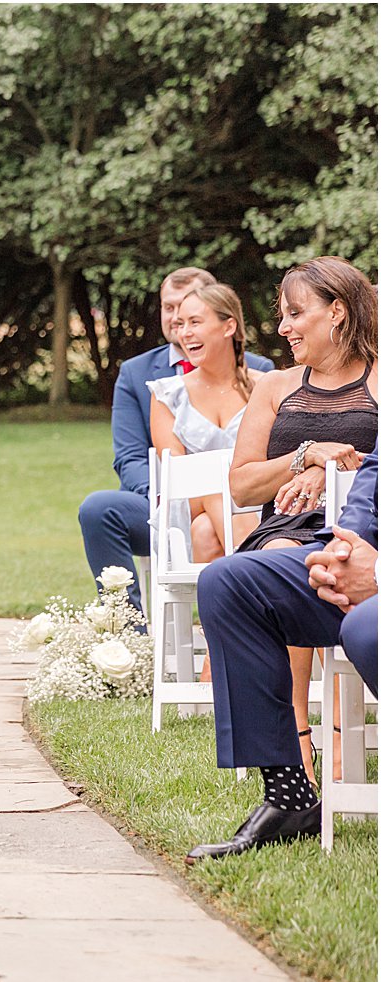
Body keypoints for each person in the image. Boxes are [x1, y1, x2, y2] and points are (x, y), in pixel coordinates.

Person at [226, 255, 377, 783]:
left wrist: (334, 474)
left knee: (337, 562)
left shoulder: (380, 379)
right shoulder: (275, 386)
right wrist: (308, 455)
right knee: (283, 561)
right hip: (286, 529)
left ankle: (341, 736)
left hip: (362, 531)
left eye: (296, 313)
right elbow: (242, 483)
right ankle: (296, 740)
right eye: (281, 315)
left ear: (337, 312)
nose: (284, 327)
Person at [188, 452, 377, 862]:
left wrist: (377, 574)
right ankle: (291, 798)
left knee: (366, 628)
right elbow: (373, 473)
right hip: (362, 553)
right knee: (228, 582)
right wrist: (347, 548)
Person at [79, 267, 273, 612]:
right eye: (170, 311)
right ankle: (128, 637)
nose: (178, 325)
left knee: (204, 531)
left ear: (225, 320)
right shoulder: (141, 376)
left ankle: (226, 646)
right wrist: (161, 498)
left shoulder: (265, 376)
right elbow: (131, 457)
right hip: (171, 496)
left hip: (253, 500)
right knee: (100, 508)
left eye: (191, 316)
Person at [147, 283, 267, 561]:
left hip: (256, 502)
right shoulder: (166, 395)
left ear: (228, 327)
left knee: (205, 533)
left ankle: (235, 591)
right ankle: (259, 570)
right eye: (180, 324)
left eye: (195, 322)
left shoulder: (266, 387)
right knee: (215, 488)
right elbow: (178, 474)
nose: (184, 333)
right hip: (187, 506)